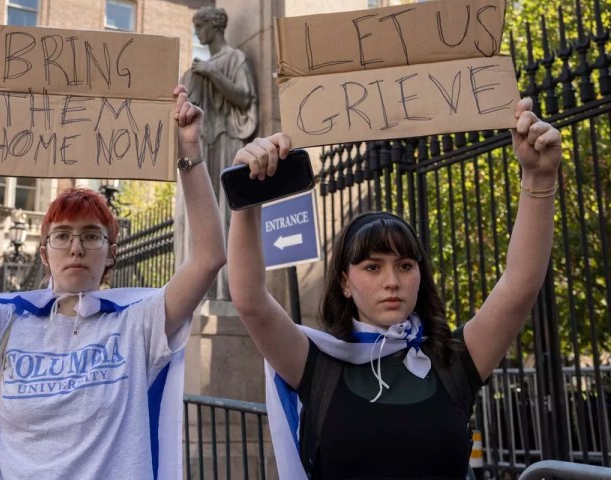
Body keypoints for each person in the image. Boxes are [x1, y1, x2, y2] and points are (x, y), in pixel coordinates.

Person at [226, 98, 562, 478]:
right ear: (344, 283)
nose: (392, 280)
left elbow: (520, 284)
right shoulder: (317, 366)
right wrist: (246, 195)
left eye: (405, 265)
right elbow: (250, 299)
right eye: (372, 267)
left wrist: (539, 179)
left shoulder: (453, 362)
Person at [0, 78, 225, 479]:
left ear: (111, 253)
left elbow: (210, 257)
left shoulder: (137, 323)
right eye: (62, 236)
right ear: (44, 252)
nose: (76, 248)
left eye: (92, 236)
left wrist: (189, 154)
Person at [179, 6, 258, 300]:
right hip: (204, 142)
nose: (197, 32)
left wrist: (212, 72)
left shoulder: (234, 58)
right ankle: (202, 287)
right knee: (200, 214)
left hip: (227, 140)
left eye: (200, 26)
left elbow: (243, 96)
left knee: (226, 213)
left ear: (215, 26)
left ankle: (228, 290)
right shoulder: (200, 66)